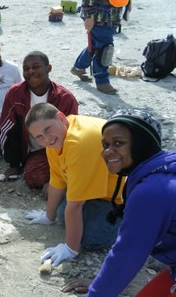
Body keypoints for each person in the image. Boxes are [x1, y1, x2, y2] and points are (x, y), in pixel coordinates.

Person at [54, 109, 176, 297]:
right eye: (105, 144)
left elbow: (128, 253)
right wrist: (101, 283)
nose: (107, 151)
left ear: (141, 144)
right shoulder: (155, 169)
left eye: (118, 143)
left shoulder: (152, 190)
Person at [24, 103, 124, 267]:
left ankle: (139, 226)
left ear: (61, 118)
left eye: (48, 129)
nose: (46, 138)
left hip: (132, 196)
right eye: (39, 137)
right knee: (62, 212)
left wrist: (70, 248)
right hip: (106, 191)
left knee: (92, 237)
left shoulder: (78, 143)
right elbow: (57, 181)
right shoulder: (57, 141)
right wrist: (48, 217)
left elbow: (76, 205)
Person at [0, 51, 78, 190]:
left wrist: (56, 181)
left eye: (36, 67)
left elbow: (72, 133)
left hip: (58, 148)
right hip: (34, 150)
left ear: (48, 68)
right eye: (26, 68)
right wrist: (14, 164)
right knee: (33, 175)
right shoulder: (15, 94)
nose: (31, 71)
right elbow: (8, 129)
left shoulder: (64, 97)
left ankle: (60, 179)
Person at [70, 0, 132, 95]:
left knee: (96, 45)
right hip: (99, 18)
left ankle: (79, 67)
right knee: (105, 49)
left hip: (112, 16)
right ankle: (102, 82)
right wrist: (89, 16)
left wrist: (128, 3)